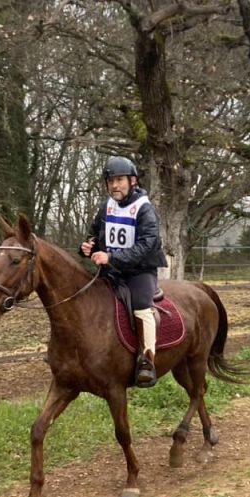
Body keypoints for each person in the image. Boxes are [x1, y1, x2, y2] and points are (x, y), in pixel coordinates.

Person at [80, 156, 168, 388]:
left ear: (132, 181)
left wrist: (111, 257)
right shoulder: (106, 206)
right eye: (110, 181)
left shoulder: (144, 209)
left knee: (141, 305)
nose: (114, 185)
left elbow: (147, 245)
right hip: (112, 270)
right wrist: (88, 247)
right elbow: (95, 234)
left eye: (119, 180)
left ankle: (147, 361)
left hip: (140, 271)